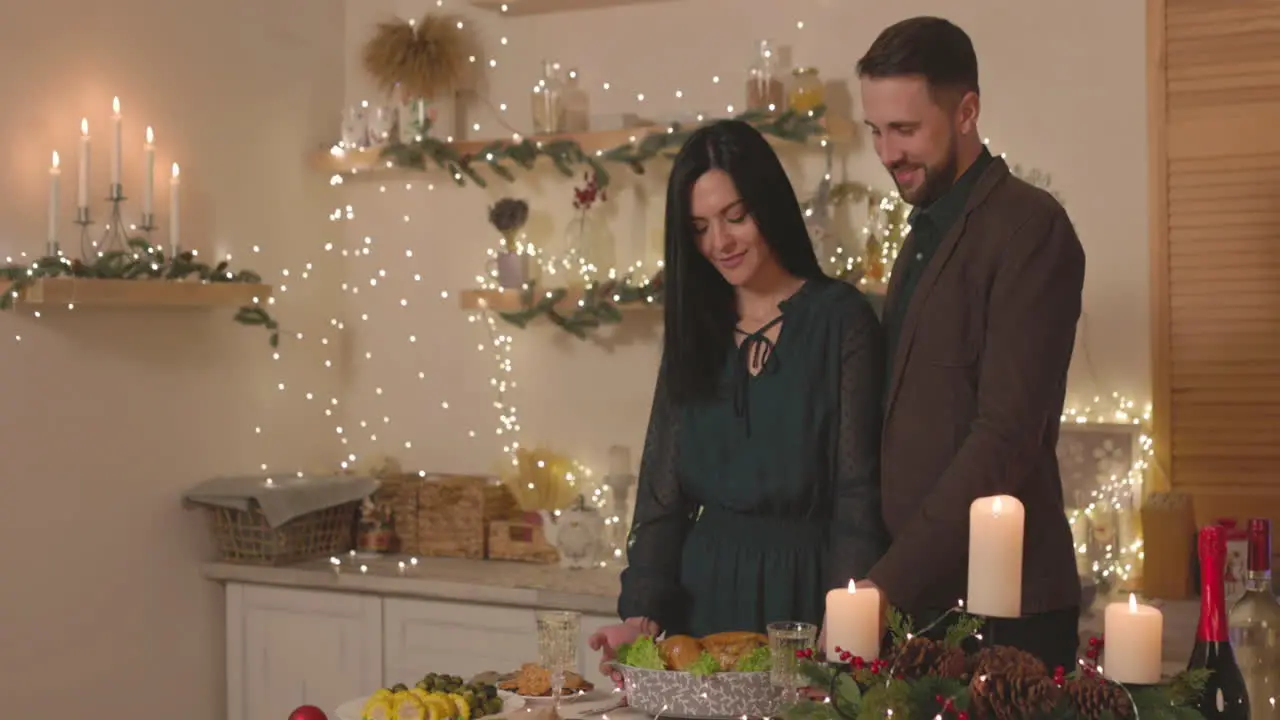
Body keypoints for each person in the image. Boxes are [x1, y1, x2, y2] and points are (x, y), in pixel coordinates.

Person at [588, 120, 889, 672]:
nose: (719, 243)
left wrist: (846, 618)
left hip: (806, 601)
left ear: (768, 205)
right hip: (700, 608)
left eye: (735, 216)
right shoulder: (695, 327)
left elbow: (858, 492)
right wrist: (639, 619)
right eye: (699, 227)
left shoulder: (842, 319)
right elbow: (661, 498)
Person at [853, 17, 1086, 672]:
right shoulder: (924, 228)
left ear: (967, 111)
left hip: (1006, 611)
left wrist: (889, 582)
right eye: (875, 129)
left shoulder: (1029, 227)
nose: (886, 151)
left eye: (904, 129)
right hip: (926, 602)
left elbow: (1006, 435)